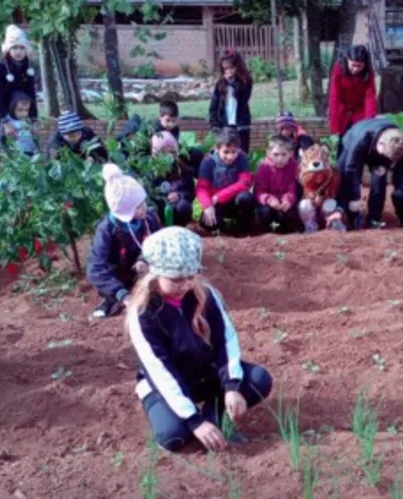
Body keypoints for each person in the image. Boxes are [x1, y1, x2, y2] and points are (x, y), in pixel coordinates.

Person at [127, 226, 273, 452]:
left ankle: (215, 416)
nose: (185, 285)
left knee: (259, 379)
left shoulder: (204, 294)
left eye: (190, 277)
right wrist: (193, 420)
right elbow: (160, 370)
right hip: (164, 383)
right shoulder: (144, 312)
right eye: (176, 279)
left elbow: (226, 340)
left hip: (204, 373)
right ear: (155, 274)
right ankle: (183, 416)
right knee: (172, 436)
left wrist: (231, 386)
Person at [87, 164, 162, 320]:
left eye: (143, 202)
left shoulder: (150, 219)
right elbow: (95, 268)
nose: (144, 208)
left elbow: (159, 243)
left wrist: (144, 259)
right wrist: (123, 295)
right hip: (119, 275)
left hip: (144, 271)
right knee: (112, 280)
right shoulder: (106, 229)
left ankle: (150, 294)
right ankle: (112, 299)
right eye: (138, 207)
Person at [0, 24, 38, 171]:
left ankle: (22, 173)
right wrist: (5, 121)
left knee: (22, 139)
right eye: (14, 48)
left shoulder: (27, 68)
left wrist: (33, 119)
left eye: (21, 48)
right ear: (8, 49)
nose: (18, 52)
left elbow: (30, 94)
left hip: (13, 105)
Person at [335, 117, 403, 230]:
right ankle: (346, 213)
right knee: (343, 177)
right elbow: (351, 169)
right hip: (352, 142)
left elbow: (392, 156)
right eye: (384, 155)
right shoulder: (359, 140)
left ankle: (374, 218)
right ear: (380, 143)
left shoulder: (397, 137)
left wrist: (384, 165)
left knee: (379, 179)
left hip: (376, 146)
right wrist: (355, 197)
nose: (385, 157)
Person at [196, 128, 256, 236]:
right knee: (206, 223)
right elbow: (202, 188)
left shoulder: (242, 158)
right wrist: (207, 205)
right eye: (226, 152)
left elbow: (245, 183)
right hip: (217, 204)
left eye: (234, 152)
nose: (230, 156)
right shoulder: (208, 161)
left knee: (246, 198)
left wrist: (219, 196)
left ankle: (242, 228)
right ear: (217, 149)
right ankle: (224, 226)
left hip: (235, 202)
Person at [328, 45, 377, 158]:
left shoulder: (368, 74)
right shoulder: (338, 70)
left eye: (359, 66)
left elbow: (370, 98)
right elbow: (334, 96)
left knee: (359, 138)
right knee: (341, 140)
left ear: (365, 64)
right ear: (347, 60)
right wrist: (334, 124)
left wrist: (369, 121)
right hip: (342, 109)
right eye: (353, 65)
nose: (355, 69)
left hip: (360, 109)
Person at [254, 135, 301, 233]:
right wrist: (269, 199)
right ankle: (265, 233)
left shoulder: (294, 166)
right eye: (276, 154)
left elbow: (293, 188)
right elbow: (259, 191)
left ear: (291, 153)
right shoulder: (263, 167)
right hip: (268, 204)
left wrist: (288, 200)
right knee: (265, 213)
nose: (280, 158)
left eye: (284, 154)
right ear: (268, 153)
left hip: (285, 204)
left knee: (291, 217)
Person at [208, 51, 253, 153]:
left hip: (241, 124)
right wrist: (214, 123)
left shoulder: (246, 81)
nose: (228, 71)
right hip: (224, 124)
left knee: (241, 153)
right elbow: (214, 104)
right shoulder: (220, 84)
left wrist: (232, 82)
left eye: (231, 68)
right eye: (225, 69)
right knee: (224, 152)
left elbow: (243, 98)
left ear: (237, 67)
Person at [150, 132, 196, 228]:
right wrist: (162, 197)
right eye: (163, 152)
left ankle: (178, 228)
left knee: (184, 206)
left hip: (175, 206)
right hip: (158, 206)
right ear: (155, 153)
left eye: (171, 152)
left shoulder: (183, 169)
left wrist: (179, 195)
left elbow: (191, 192)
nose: (168, 155)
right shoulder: (149, 170)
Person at [0, 91, 39, 157]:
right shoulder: (7, 122)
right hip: (15, 153)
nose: (23, 113)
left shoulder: (28, 120)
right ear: (13, 108)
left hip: (30, 151)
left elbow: (34, 136)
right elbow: (1, 138)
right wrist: (5, 151)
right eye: (20, 110)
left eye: (26, 110)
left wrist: (37, 149)